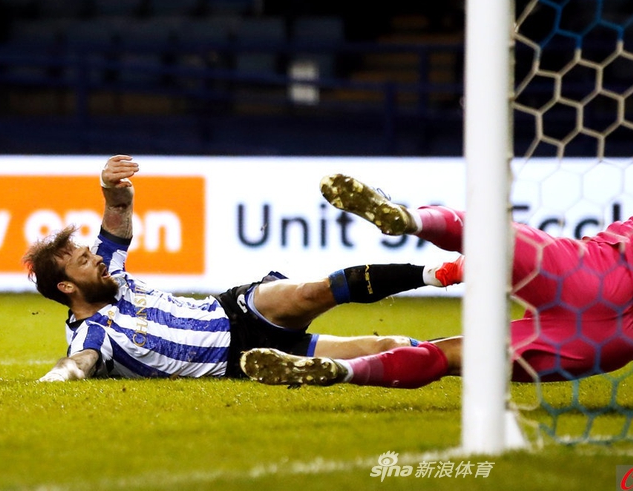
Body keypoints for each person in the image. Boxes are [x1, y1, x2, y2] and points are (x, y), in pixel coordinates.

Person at [240, 65, 633, 401]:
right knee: (455, 358)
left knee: (484, 232)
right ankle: (345, 376)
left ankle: (408, 220)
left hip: (596, 272)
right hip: (609, 342)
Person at [25, 155, 450, 382]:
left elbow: (118, 209)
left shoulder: (110, 273)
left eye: (90, 253)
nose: (96, 258)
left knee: (312, 292)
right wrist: (53, 382)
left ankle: (441, 273)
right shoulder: (92, 334)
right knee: (386, 348)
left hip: (234, 310)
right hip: (244, 359)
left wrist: (109, 183)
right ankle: (466, 356)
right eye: (84, 260)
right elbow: (77, 362)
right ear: (66, 286)